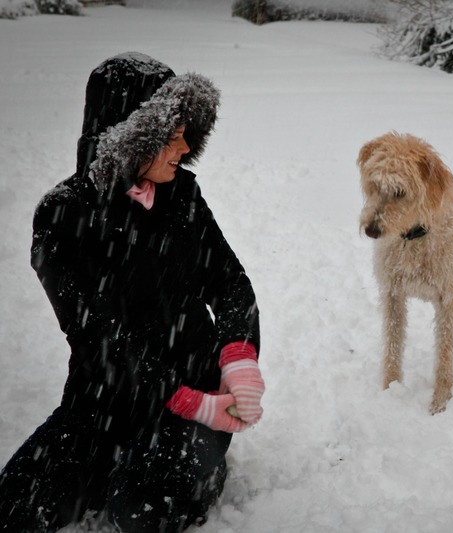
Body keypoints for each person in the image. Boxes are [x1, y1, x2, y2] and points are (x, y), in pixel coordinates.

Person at [0, 52, 264, 532]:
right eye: (172, 133)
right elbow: (98, 339)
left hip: (194, 404)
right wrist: (182, 397)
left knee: (138, 515)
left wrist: (239, 358)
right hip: (103, 399)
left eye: (187, 131)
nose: (184, 147)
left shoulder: (182, 196)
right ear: (129, 137)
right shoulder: (60, 219)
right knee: (17, 506)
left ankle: (195, 466)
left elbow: (229, 283)